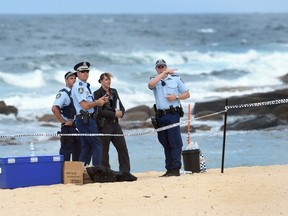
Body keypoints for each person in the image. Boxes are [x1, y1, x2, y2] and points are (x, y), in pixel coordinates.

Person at [148, 59, 190, 177]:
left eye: (163, 66)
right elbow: (150, 85)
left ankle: (175, 168)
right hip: (160, 116)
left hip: (172, 114)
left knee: (174, 141)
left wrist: (176, 97)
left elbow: (187, 94)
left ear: (166, 67)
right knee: (165, 142)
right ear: (156, 69)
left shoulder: (175, 79)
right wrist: (163, 74)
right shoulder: (154, 80)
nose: (161, 68)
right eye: (159, 67)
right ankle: (169, 168)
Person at [94, 72, 137, 181]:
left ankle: (125, 172)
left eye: (109, 79)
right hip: (104, 125)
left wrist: (121, 113)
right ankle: (105, 172)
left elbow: (120, 105)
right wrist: (113, 114)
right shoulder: (97, 93)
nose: (108, 81)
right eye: (106, 79)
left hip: (115, 124)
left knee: (122, 147)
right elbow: (99, 111)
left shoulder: (114, 91)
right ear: (101, 81)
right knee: (104, 150)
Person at [71, 61, 108, 167]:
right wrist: (97, 102)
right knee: (97, 145)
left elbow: (88, 104)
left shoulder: (85, 86)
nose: (85, 73)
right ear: (77, 74)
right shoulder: (80, 87)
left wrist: (99, 100)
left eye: (87, 71)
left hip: (86, 119)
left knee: (87, 147)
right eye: (82, 71)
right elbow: (85, 106)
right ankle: (98, 170)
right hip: (85, 119)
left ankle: (81, 171)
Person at [51, 71, 81, 161]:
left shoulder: (76, 93)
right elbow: (54, 108)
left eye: (75, 78)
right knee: (66, 153)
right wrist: (63, 122)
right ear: (66, 80)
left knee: (78, 152)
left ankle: (75, 174)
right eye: (71, 78)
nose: (74, 80)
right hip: (68, 128)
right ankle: (64, 174)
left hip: (77, 127)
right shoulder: (63, 93)